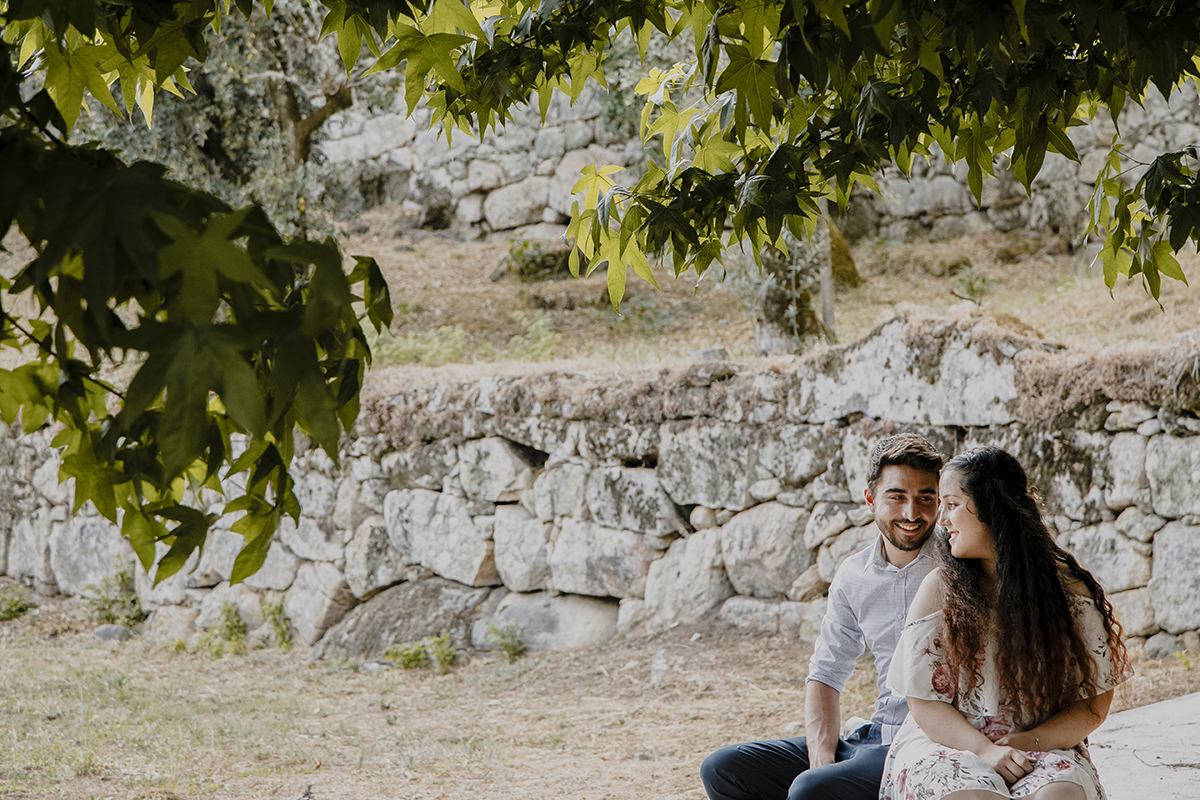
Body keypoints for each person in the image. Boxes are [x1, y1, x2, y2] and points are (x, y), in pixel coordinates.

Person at [701, 432, 945, 800]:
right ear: (870, 499)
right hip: (872, 738)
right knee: (723, 769)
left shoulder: (957, 563)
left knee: (810, 791)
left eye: (925, 498)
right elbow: (827, 674)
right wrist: (822, 761)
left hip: (923, 746)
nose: (912, 513)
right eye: (897, 497)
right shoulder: (853, 575)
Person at [881, 446, 1131, 800]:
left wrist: (1026, 742)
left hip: (1038, 739)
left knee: (1059, 794)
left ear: (990, 507)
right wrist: (985, 750)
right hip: (950, 743)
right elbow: (923, 702)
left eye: (951, 505)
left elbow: (1092, 705)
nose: (943, 520)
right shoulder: (938, 590)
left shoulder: (1067, 591)